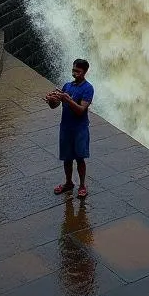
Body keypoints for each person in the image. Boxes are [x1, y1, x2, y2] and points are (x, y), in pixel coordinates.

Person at [45, 59, 94, 199]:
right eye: (73, 71)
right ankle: (68, 183)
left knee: (80, 159)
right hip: (65, 128)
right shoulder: (67, 86)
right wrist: (51, 100)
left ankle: (82, 185)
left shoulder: (88, 88)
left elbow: (81, 110)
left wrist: (68, 100)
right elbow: (54, 106)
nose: (75, 74)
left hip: (80, 129)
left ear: (85, 72)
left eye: (78, 72)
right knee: (67, 159)